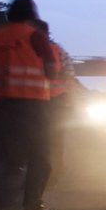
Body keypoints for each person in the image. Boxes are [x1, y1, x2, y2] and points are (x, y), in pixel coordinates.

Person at [0, 0, 58, 210]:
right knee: (41, 156)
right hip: (33, 105)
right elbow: (51, 70)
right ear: (32, 14)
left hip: (4, 103)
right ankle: (32, 205)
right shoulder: (35, 36)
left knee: (5, 155)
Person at [35, 20, 76, 189]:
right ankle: (49, 174)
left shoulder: (55, 51)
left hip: (45, 102)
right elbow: (69, 75)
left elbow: (68, 76)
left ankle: (52, 174)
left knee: (49, 140)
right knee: (51, 140)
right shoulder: (58, 51)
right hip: (48, 101)